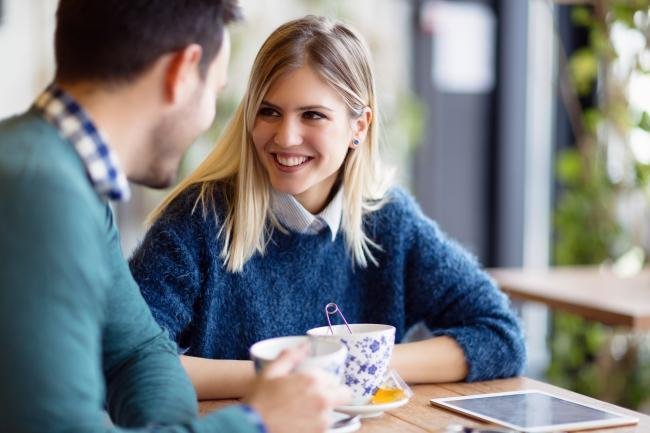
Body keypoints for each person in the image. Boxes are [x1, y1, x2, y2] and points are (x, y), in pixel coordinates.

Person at [129, 15, 527, 401]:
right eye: (269, 111)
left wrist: (355, 363)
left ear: (359, 127)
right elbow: (132, 364)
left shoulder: (388, 220)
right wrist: (297, 374)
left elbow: (500, 337)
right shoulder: (198, 219)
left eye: (312, 115)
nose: (285, 137)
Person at [0, 2, 348, 433]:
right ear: (182, 73)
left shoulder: (67, 180)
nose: (208, 121)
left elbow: (137, 350)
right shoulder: (37, 192)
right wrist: (258, 423)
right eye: (216, 91)